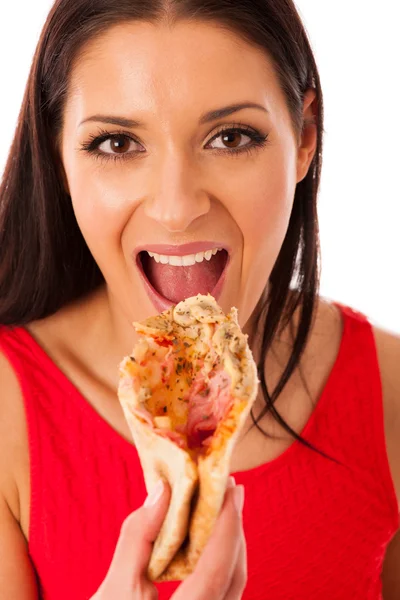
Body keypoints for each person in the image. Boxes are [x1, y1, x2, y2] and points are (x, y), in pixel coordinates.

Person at [0, 0, 399, 598]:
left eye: (231, 137)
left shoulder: (390, 387)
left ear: (306, 138)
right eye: (115, 143)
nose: (176, 206)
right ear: (58, 155)